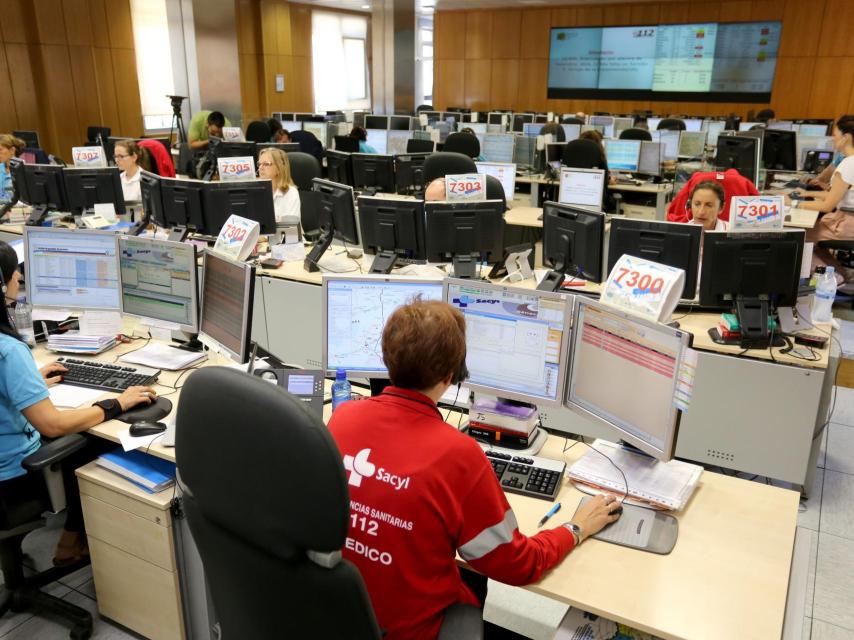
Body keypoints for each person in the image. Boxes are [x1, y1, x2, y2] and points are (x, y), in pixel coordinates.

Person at [328, 299, 621, 640]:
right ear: (452, 375)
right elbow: (520, 565)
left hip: (343, 617)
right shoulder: (459, 455)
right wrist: (575, 528)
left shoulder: (343, 417)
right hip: (416, 631)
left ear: (386, 359)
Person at [0, 241, 157, 564]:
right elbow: (53, 425)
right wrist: (116, 404)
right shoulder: (9, 352)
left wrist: (29, 382)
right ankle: (71, 542)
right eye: (15, 273)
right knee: (97, 440)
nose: (19, 278)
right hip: (13, 481)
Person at [789, 116, 854, 280]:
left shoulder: (848, 164)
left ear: (846, 137)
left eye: (835, 135)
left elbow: (827, 206)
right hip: (849, 221)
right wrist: (807, 194)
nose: (833, 138)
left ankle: (831, 278)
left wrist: (793, 203)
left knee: (796, 236)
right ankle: (841, 274)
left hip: (847, 226)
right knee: (812, 237)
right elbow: (836, 195)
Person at [257, 147, 300, 226]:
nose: (260, 168)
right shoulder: (256, 190)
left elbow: (290, 228)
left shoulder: (291, 193)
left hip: (285, 234)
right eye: (259, 164)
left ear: (279, 168)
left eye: (266, 164)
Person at [0, 134, 25, 203]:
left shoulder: (23, 171)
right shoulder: (1, 167)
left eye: (0, 150)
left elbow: (18, 198)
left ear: (12, 150)